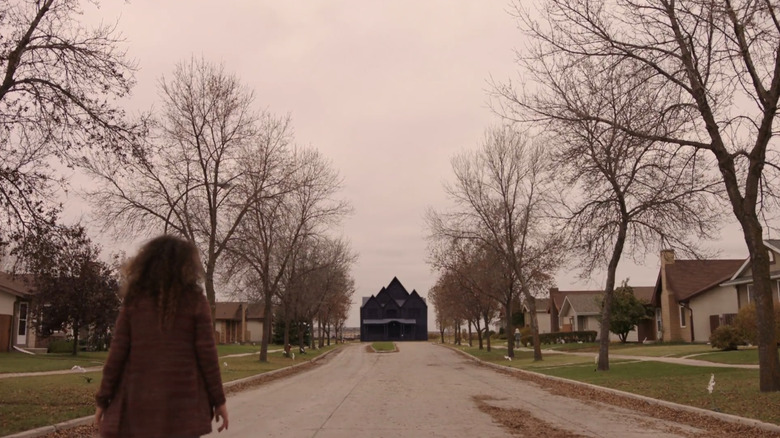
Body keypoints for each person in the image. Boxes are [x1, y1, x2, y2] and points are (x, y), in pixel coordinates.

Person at [94, 235, 229, 437]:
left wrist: (103, 399)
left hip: (138, 403)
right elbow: (207, 357)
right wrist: (219, 401)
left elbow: (117, 354)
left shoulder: (135, 301)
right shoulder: (195, 301)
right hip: (183, 406)